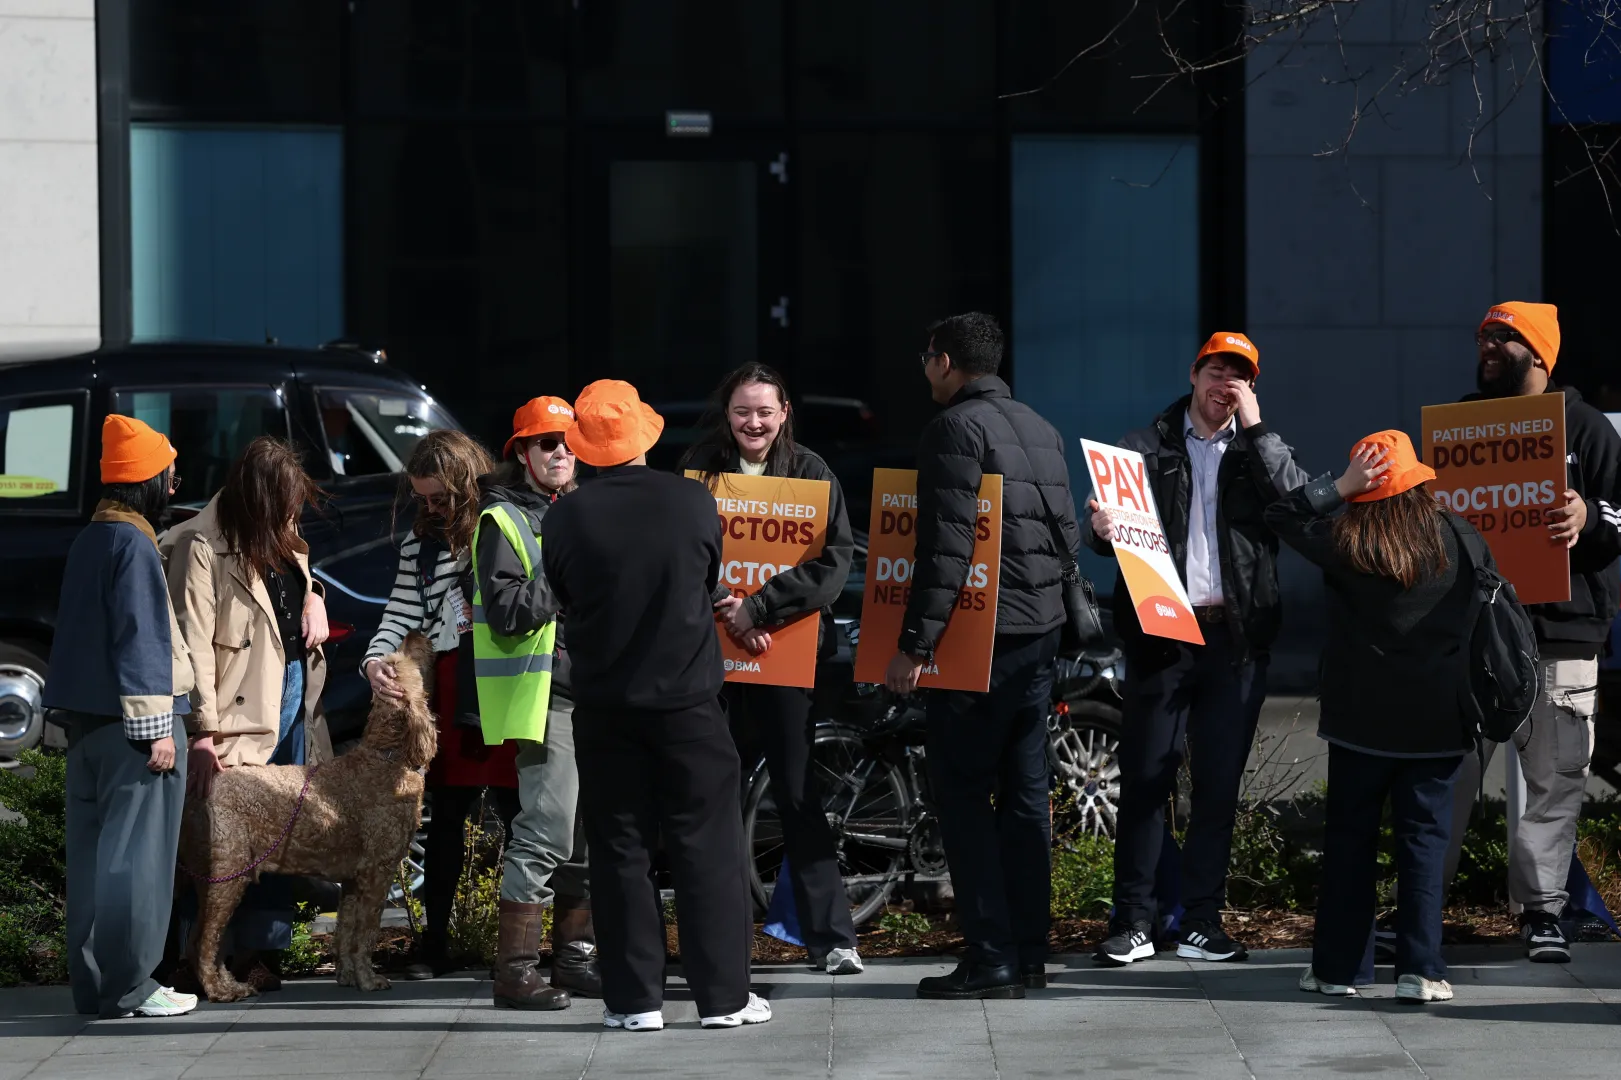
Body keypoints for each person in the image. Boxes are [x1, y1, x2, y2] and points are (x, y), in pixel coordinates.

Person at [542, 379, 769, 1031]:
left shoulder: (564, 516)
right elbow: (706, 582)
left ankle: (634, 1001)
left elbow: (562, 597)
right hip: (689, 703)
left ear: (584, 447)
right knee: (708, 846)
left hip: (605, 705)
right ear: (644, 434)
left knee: (618, 850)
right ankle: (723, 998)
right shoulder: (693, 502)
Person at [1080, 332, 1308, 967]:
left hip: (1234, 637)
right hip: (1161, 632)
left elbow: (1299, 507)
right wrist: (1098, 530)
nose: (1226, 384)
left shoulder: (1259, 453)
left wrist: (1260, 431)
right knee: (1148, 780)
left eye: (1240, 375)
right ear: (1194, 373)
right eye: (1216, 370)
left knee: (1216, 786)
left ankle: (1202, 920)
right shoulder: (1145, 446)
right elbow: (1105, 528)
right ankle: (1134, 921)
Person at [881, 312, 1079, 1000]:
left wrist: (913, 647)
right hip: (1040, 632)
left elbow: (946, 548)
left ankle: (989, 955)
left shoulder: (953, 429)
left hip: (981, 643)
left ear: (942, 361)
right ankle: (1028, 954)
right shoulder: (1039, 427)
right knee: (1025, 800)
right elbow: (1066, 536)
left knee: (963, 796)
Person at [1269, 431, 1480, 1004]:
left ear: (1369, 486)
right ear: (1416, 480)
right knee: (1424, 844)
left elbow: (1280, 514)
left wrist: (1339, 487)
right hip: (1437, 722)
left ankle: (1340, 970)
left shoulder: (1346, 538)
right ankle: (1421, 970)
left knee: (1349, 844)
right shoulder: (1459, 536)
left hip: (1359, 723)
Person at [1439, 303, 1621, 963]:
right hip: (1474, 635)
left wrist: (1588, 518)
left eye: (1502, 337)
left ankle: (1542, 913)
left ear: (1539, 354)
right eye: (1482, 334)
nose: (1486, 345)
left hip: (1562, 635)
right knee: (1443, 776)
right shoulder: (1458, 428)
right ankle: (1419, 908)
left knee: (1553, 782)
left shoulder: (1588, 429)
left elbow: (1620, 513)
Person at [680, 363, 864, 976]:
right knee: (714, 794)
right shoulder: (700, 469)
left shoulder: (813, 472)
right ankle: (721, 937)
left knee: (797, 791)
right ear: (725, 413)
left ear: (784, 412)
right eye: (741, 411)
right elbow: (683, 552)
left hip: (785, 651)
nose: (752, 422)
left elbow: (832, 564)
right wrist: (728, 608)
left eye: (764, 411)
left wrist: (759, 608)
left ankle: (831, 936)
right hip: (714, 656)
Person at [161, 437, 333, 993]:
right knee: (216, 843)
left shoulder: (278, 532)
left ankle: (259, 953)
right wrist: (202, 732)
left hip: (289, 695)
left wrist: (316, 596)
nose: (294, 512)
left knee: (279, 832)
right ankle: (199, 957)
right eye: (285, 502)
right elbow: (192, 648)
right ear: (258, 498)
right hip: (236, 712)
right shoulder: (201, 545)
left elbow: (295, 582)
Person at [45, 415, 199, 1019]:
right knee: (137, 860)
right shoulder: (134, 544)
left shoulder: (91, 538)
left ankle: (95, 987)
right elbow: (140, 637)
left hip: (85, 725)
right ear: (148, 481)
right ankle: (132, 986)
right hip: (133, 730)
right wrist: (157, 726)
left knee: (92, 861)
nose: (175, 480)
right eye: (169, 472)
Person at [363, 429, 520, 980]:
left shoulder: (506, 522)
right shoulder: (419, 543)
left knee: (519, 813)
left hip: (506, 679)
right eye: (422, 497)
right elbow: (400, 611)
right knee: (447, 815)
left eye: (439, 497)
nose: (429, 507)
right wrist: (376, 661)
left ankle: (520, 949)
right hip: (452, 683)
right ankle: (435, 944)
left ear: (465, 483)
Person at [475, 397, 597, 1010]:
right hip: (548, 698)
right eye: (545, 442)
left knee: (584, 837)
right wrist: (568, 570)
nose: (559, 452)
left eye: (568, 440)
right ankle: (515, 971)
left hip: (596, 693)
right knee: (545, 835)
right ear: (521, 452)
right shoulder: (502, 521)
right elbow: (507, 609)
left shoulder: (585, 509)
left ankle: (574, 961)